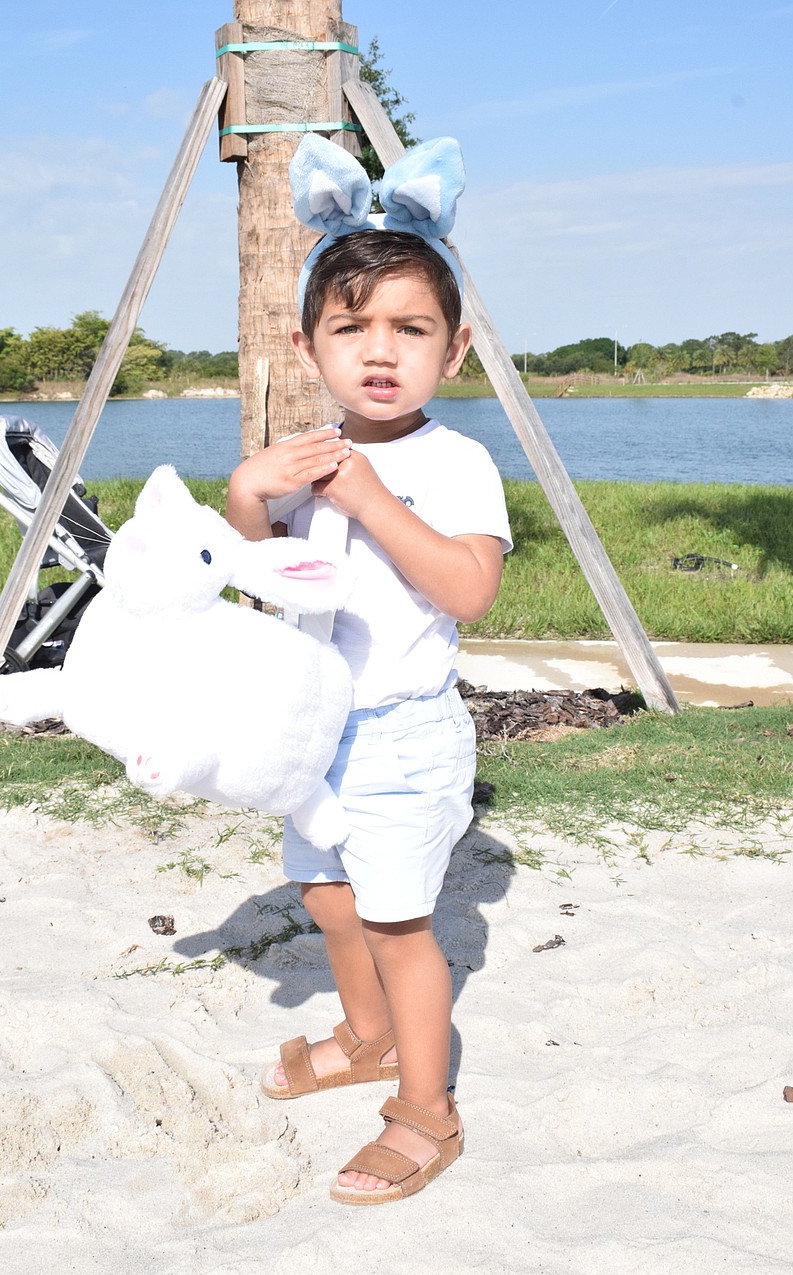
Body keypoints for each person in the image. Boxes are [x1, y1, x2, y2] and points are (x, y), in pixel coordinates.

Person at [225, 135, 512, 1206]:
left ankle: (426, 1112)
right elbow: (255, 558)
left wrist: (368, 501)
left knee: (397, 923)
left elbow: (468, 589)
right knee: (326, 897)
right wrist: (253, 491)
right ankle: (368, 1037)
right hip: (316, 726)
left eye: (409, 328)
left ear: (455, 349)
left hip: (401, 729)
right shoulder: (307, 449)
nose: (379, 350)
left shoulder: (454, 462)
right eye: (351, 329)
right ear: (310, 350)